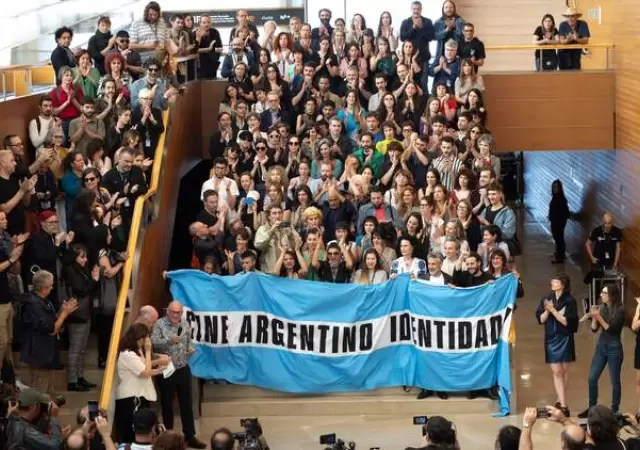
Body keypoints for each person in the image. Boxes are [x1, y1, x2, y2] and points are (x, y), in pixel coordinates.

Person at [151, 301, 206, 448]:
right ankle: (168, 438)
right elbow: (152, 342)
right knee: (167, 403)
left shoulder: (185, 324)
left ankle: (190, 436)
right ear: (167, 311)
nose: (176, 315)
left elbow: (187, 342)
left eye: (179, 312)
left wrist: (190, 349)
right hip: (166, 369)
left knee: (186, 403)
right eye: (173, 312)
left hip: (182, 367)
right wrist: (169, 340)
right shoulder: (159, 324)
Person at [20, 270, 78, 393]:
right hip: (38, 354)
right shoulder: (33, 305)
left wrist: (62, 311)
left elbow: (51, 322)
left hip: (45, 354)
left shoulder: (41, 301)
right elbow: (50, 329)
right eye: (50, 285)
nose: (52, 288)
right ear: (43, 288)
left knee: (47, 392)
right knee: (40, 393)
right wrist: (65, 314)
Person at [578, 284, 625, 417]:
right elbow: (594, 329)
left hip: (614, 348)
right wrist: (594, 318)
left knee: (614, 381)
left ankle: (614, 410)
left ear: (611, 295)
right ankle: (592, 408)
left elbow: (611, 329)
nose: (601, 295)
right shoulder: (602, 308)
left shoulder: (620, 310)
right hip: (601, 346)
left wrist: (598, 317)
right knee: (592, 378)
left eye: (604, 293)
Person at [535, 273, 578, 418]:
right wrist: (547, 310)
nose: (553, 283)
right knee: (556, 371)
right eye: (552, 281)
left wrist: (553, 310)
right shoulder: (546, 299)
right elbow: (540, 319)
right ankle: (564, 406)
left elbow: (568, 322)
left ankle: (560, 400)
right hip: (551, 339)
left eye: (556, 281)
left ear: (563, 284)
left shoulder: (570, 301)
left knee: (564, 371)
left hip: (565, 338)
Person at [114, 323, 160, 444]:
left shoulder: (136, 352)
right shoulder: (127, 354)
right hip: (131, 398)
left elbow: (145, 369)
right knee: (132, 433)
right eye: (146, 337)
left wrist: (158, 371)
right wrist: (148, 350)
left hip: (138, 395)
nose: (147, 341)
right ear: (139, 338)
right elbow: (145, 372)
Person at [549, 179, 570, 264]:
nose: (555, 189)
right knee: (557, 238)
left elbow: (563, 212)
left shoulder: (561, 199)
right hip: (555, 221)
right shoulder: (556, 197)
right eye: (554, 187)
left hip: (558, 222)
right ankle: (559, 253)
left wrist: (558, 221)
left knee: (559, 238)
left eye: (557, 187)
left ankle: (560, 257)